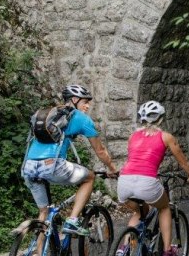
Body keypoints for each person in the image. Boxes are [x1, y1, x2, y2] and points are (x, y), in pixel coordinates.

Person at [22, 84, 118, 236]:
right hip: (52, 165)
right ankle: (72, 221)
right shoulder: (81, 118)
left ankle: (39, 251)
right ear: (74, 100)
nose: (88, 106)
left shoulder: (50, 115)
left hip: (28, 167)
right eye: (85, 101)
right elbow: (100, 150)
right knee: (89, 178)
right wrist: (112, 168)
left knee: (44, 212)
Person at [117, 100, 189, 256]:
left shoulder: (132, 136)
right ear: (160, 119)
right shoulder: (166, 137)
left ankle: (123, 249)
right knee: (164, 207)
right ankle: (167, 251)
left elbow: (135, 160)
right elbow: (184, 163)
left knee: (139, 212)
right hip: (146, 182)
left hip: (124, 181)